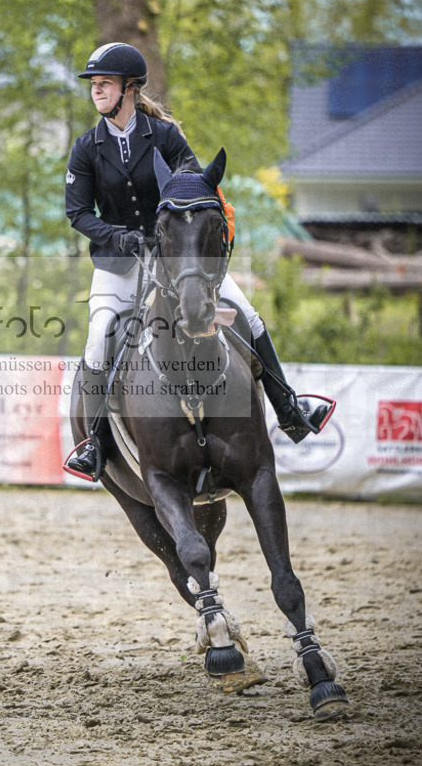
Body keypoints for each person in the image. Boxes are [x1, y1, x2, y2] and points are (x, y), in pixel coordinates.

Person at [64, 42, 330, 480]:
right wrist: (119, 236)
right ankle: (94, 443)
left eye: (105, 83)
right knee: (98, 337)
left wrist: (173, 234)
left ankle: (289, 408)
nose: (96, 90)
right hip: (118, 263)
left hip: (179, 259)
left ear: (129, 88)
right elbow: (77, 213)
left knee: (248, 315)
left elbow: (193, 188)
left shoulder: (165, 137)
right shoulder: (86, 148)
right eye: (94, 83)